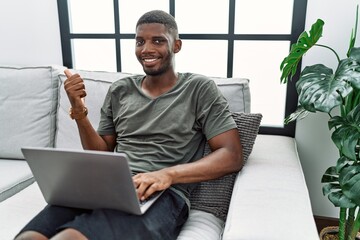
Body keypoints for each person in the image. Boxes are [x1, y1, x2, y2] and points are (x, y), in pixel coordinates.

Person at [15, 10, 243, 240]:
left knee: (71, 237)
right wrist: (79, 111)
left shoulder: (199, 88)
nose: (147, 49)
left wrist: (167, 175)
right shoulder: (120, 90)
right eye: (140, 41)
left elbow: (231, 155)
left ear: (177, 46)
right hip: (106, 187)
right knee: (30, 237)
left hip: (163, 194)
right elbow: (100, 153)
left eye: (158, 40)